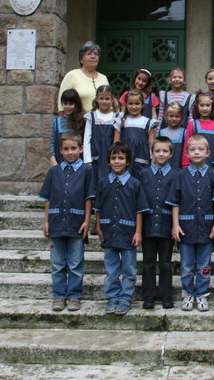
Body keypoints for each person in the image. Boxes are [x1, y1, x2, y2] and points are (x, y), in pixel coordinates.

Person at [39, 130, 95, 312]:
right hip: (56, 223)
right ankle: (59, 295)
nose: (70, 152)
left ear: (81, 149)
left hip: (76, 223)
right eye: (66, 149)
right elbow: (47, 198)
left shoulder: (87, 171)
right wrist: (46, 221)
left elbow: (89, 198)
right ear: (60, 151)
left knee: (75, 263)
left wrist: (87, 220)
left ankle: (74, 295)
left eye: (73, 148)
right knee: (57, 264)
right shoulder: (54, 172)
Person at [168, 134, 214, 312]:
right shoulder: (180, 175)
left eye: (200, 149)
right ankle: (188, 293)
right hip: (186, 229)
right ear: (187, 154)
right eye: (192, 149)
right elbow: (175, 202)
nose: (196, 152)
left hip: (207, 229)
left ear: (208, 153)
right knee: (186, 265)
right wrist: (175, 225)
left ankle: (202, 293)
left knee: (204, 265)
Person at [94, 142, 150, 316]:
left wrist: (138, 232)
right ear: (108, 161)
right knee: (111, 269)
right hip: (109, 233)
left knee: (129, 269)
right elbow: (98, 207)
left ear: (128, 162)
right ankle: (112, 297)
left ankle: (126, 297)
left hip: (128, 234)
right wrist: (98, 226)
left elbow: (140, 210)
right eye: (113, 158)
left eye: (120, 158)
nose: (117, 161)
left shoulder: (134, 184)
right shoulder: (103, 182)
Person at [138, 137, 178, 310]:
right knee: (148, 261)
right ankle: (149, 294)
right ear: (152, 153)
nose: (161, 154)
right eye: (157, 151)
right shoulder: (143, 174)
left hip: (166, 225)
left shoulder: (176, 175)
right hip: (148, 225)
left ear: (171, 153)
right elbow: (139, 200)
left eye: (165, 151)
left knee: (165, 262)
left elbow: (176, 201)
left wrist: (175, 225)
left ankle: (166, 294)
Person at [83, 85, 122, 187]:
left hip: (111, 157)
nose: (104, 101)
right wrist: (88, 160)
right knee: (95, 184)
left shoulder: (117, 117)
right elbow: (87, 139)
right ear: (97, 99)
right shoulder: (91, 117)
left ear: (112, 99)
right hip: (96, 157)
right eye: (101, 98)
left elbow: (118, 141)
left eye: (107, 98)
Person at [58, 41, 109, 113]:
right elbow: (62, 105)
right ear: (81, 60)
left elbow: (110, 103)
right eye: (89, 54)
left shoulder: (103, 78)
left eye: (96, 54)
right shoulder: (72, 75)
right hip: (79, 119)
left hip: (102, 119)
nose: (93, 56)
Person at [114, 90, 157, 175]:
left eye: (137, 103)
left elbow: (152, 145)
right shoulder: (121, 122)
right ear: (126, 104)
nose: (134, 107)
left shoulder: (148, 123)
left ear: (142, 104)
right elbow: (116, 144)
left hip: (142, 163)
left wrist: (153, 161)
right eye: (130, 103)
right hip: (124, 164)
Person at [182, 93, 214, 170]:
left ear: (212, 106)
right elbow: (187, 147)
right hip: (194, 167)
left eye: (208, 105)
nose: (205, 108)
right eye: (202, 105)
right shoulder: (192, 125)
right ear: (197, 106)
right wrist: (185, 166)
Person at [49, 89, 86, 166]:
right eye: (65, 104)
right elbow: (52, 142)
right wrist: (53, 159)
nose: (68, 107)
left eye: (71, 104)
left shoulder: (82, 121)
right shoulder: (57, 121)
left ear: (76, 104)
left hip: (78, 163)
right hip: (60, 162)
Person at [157, 102, 186, 170]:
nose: (174, 118)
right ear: (166, 116)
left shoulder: (185, 132)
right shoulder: (160, 133)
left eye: (177, 116)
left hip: (179, 169)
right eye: (171, 116)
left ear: (181, 117)